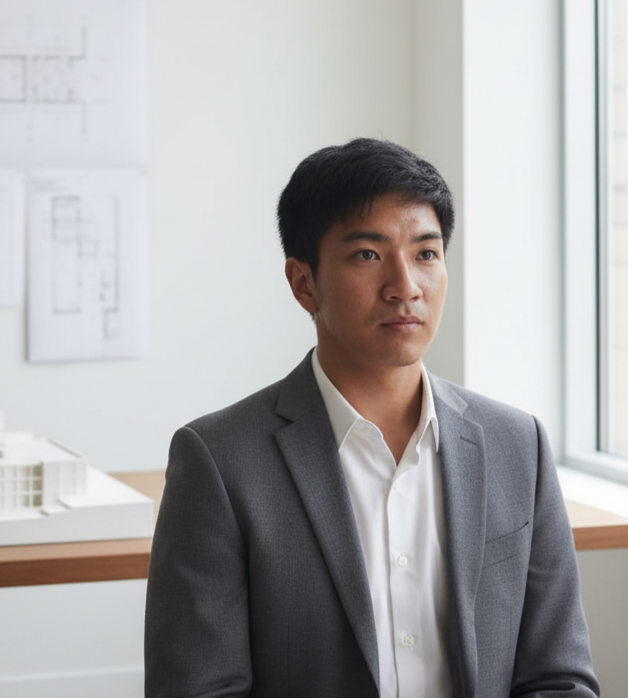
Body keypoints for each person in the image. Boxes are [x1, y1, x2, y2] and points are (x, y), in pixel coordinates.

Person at [145, 138, 599, 698]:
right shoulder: (219, 461)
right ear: (303, 282)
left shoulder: (518, 445)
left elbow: (559, 677)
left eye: (426, 254)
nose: (405, 287)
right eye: (367, 255)